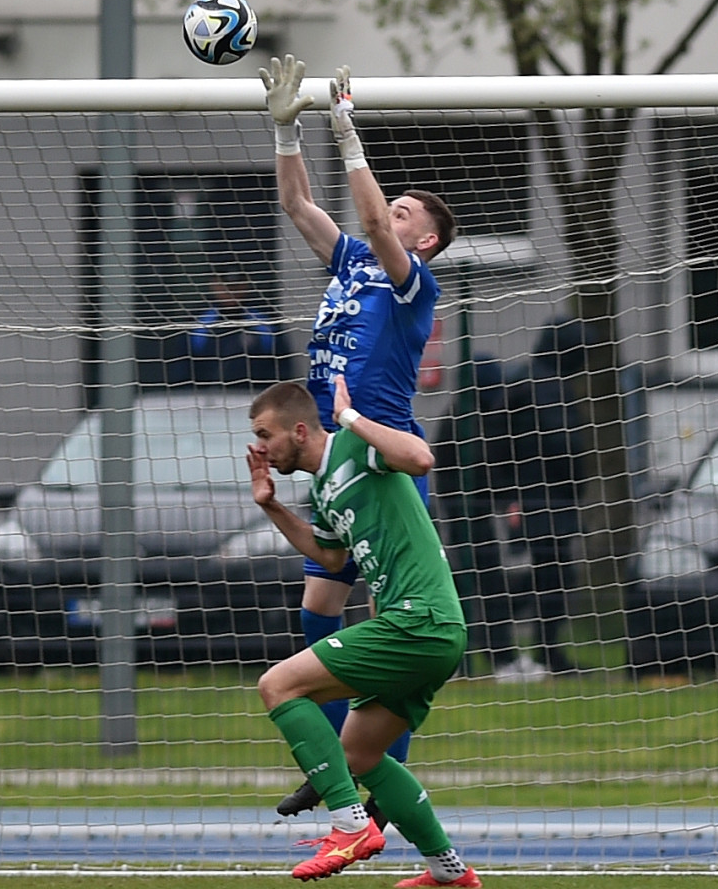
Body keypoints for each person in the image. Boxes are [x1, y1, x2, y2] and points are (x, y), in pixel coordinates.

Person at [258, 55, 457, 816]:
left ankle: (362, 776)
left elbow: (372, 221)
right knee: (319, 605)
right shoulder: (349, 263)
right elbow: (297, 202)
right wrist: (286, 129)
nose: (394, 213)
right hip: (335, 449)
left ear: (427, 243)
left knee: (390, 624)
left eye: (411, 214)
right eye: (396, 206)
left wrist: (348, 133)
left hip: (382, 450)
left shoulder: (413, 283)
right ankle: (347, 764)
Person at [248, 377, 480, 888]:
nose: (259, 446)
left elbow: (420, 459)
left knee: (279, 685)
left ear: (301, 431)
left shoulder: (355, 445)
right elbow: (331, 556)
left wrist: (351, 417)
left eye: (265, 434)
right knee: (360, 754)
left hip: (418, 621)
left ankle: (349, 825)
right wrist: (270, 504)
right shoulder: (321, 489)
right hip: (429, 629)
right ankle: (448, 872)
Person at [435, 317, 594, 682]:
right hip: (518, 504)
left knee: (547, 575)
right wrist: (509, 497)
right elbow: (490, 453)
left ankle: (521, 643)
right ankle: (503, 643)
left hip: (528, 502)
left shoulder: (540, 386)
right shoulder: (524, 390)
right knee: (523, 576)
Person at [188, 268, 294, 387]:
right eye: (225, 287)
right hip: (205, 399)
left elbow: (281, 366)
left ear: (246, 285)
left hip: (254, 395)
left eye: (236, 287)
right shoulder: (198, 322)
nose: (230, 293)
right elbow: (183, 365)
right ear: (213, 285)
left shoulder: (264, 322)